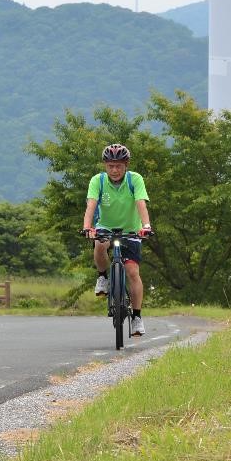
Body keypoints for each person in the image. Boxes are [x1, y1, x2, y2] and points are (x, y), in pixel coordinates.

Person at [81, 143, 153, 336]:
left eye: (118, 166)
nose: (114, 170)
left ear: (126, 165)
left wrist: (146, 226)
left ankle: (137, 317)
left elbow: (141, 204)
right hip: (105, 226)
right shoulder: (98, 180)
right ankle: (103, 277)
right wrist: (87, 227)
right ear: (105, 165)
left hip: (131, 230)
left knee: (132, 272)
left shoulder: (135, 179)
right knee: (99, 244)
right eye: (110, 166)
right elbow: (91, 205)